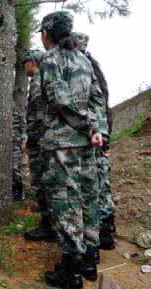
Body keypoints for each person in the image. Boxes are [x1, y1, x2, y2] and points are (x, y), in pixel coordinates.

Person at [38, 11, 105, 289]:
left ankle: (71, 273)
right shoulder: (84, 59)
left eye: (42, 32)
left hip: (64, 144)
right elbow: (98, 99)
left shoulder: (51, 59)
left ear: (48, 33)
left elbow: (60, 100)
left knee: (66, 204)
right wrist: (98, 131)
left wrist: (89, 126)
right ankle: (90, 260)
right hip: (88, 145)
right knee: (88, 198)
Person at [73, 32, 116, 250]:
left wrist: (103, 137)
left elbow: (99, 104)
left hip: (95, 134)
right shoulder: (91, 65)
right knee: (100, 181)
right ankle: (104, 231)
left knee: (98, 182)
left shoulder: (86, 67)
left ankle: (104, 232)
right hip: (98, 131)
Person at [22, 50, 57, 242]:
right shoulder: (41, 79)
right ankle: (49, 223)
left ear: (33, 62)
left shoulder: (37, 81)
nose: (23, 66)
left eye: (25, 62)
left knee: (42, 184)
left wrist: (32, 137)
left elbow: (37, 114)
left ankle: (48, 225)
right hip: (43, 139)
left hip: (40, 141)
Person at [12, 108, 27, 201]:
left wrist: (24, 141)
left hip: (16, 144)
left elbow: (24, 128)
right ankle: (13, 191)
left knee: (15, 167)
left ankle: (20, 191)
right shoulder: (0, 111)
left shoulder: (17, 112)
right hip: (4, 145)